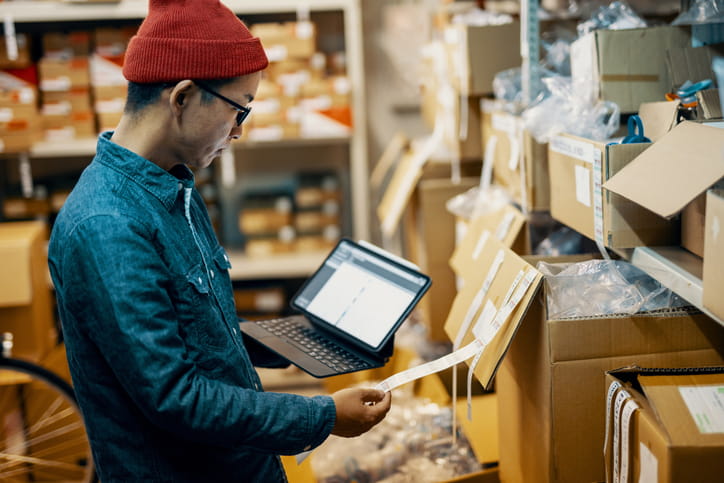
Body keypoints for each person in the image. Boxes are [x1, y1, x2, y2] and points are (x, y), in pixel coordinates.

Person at [47, 0, 391, 481]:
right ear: (183, 96)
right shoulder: (108, 225)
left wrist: (309, 338)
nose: (238, 132)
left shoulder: (172, 185)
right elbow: (176, 396)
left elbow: (199, 330)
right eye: (238, 111)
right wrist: (323, 417)